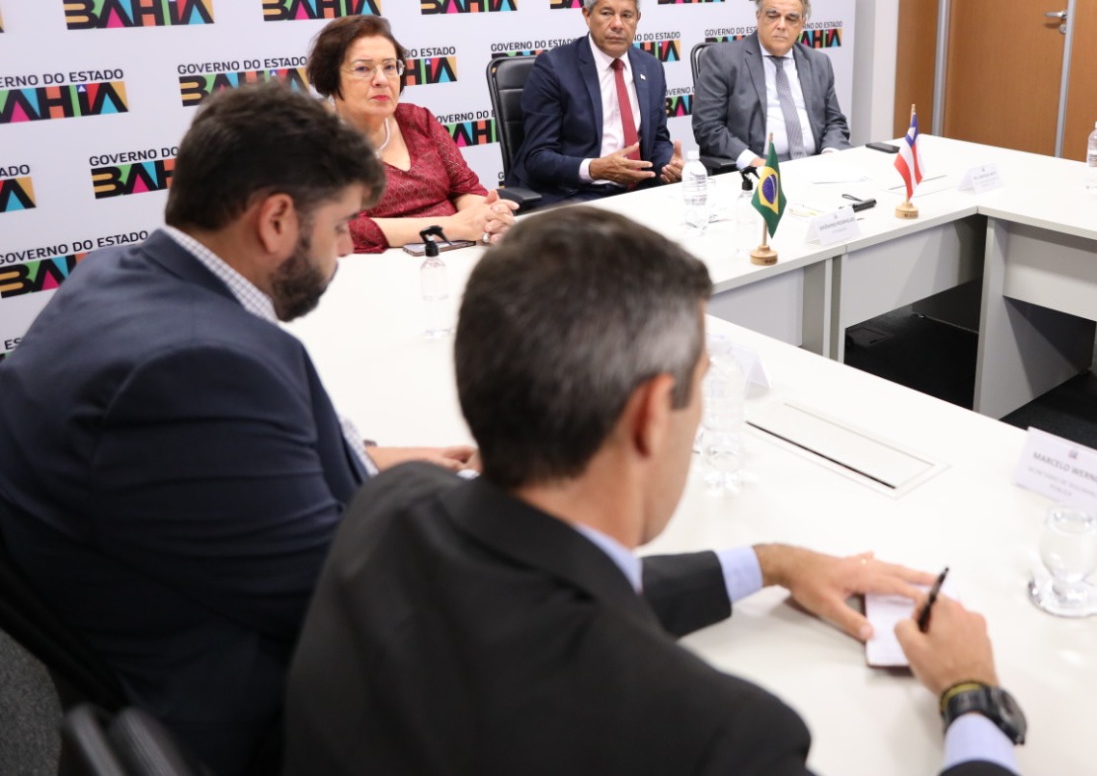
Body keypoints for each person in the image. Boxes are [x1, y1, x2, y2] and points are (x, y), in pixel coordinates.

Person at [286, 206, 1023, 775]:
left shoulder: (390, 504)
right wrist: (972, 697)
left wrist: (770, 563)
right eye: (699, 385)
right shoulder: (713, 736)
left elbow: (558, 587)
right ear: (647, 418)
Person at [0, 83, 477, 776]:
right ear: (276, 220)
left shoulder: (118, 276)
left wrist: (370, 459)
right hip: (263, 711)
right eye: (340, 225)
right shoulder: (198, 365)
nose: (347, 247)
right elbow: (345, 598)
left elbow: (214, 483)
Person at [308, 15, 515, 252]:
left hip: (452, 254)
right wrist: (451, 227)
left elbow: (465, 188)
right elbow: (339, 227)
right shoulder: (317, 141)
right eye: (363, 69)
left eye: (389, 67)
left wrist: (488, 216)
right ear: (331, 77)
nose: (382, 80)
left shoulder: (417, 119)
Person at [507, 0, 683, 204]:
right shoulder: (554, 67)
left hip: (639, 190)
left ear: (637, 19)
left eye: (627, 15)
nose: (617, 24)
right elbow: (537, 157)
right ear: (587, 15)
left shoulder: (651, 67)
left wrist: (668, 165)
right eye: (607, 13)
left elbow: (658, 140)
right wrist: (595, 169)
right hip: (576, 194)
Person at [693, 0, 850, 167]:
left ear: (802, 24)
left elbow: (836, 122)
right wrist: (752, 162)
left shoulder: (818, 63)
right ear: (758, 16)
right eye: (773, 15)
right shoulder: (723, 59)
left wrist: (829, 156)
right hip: (759, 169)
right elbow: (708, 127)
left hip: (815, 166)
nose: (781, 25)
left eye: (791, 18)